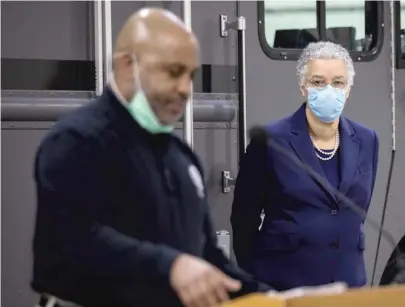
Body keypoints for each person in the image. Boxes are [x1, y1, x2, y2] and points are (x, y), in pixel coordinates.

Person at [31, 8, 273, 307]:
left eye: (191, 75)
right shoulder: (76, 142)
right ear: (126, 65)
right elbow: (70, 244)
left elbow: (208, 258)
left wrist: (271, 297)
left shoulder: (181, 158)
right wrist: (171, 266)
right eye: (173, 72)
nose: (186, 89)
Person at [230, 41, 379, 291]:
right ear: (303, 87)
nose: (329, 90)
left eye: (338, 82)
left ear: (348, 89)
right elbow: (243, 220)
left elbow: (358, 209)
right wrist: (256, 281)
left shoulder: (367, 139)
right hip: (284, 287)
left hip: (348, 287)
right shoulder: (270, 141)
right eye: (318, 82)